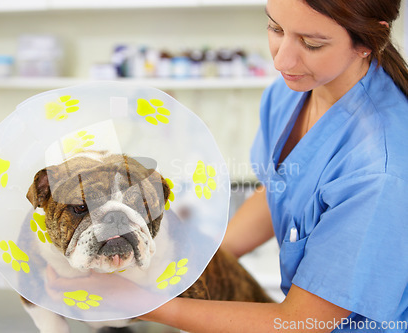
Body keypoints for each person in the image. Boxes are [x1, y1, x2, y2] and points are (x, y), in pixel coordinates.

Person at [139, 0, 408, 331]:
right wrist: (197, 259)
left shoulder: (379, 169)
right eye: (276, 28)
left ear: (368, 40)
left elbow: (299, 323)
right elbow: (283, 190)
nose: (281, 60)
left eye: (312, 43)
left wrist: (142, 304)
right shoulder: (290, 93)